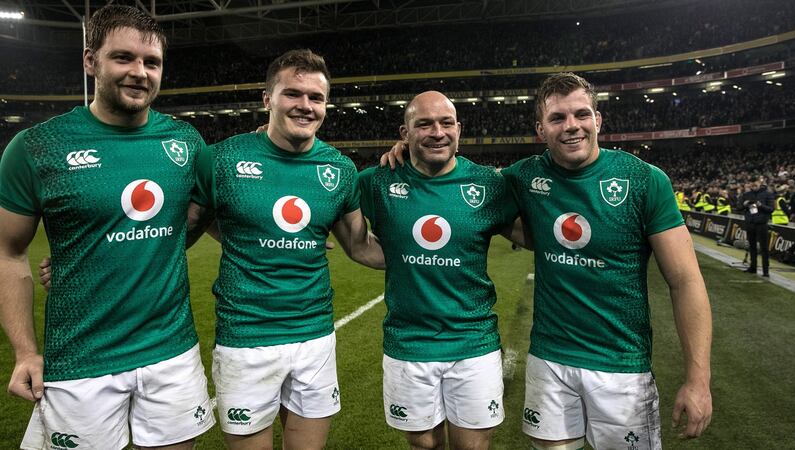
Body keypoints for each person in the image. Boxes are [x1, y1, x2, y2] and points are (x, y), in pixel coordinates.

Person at [0, 5, 214, 450]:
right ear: (90, 60)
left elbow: (200, 215)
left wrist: (402, 148)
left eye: (151, 62)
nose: (140, 72)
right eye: (123, 58)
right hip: (81, 360)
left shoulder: (186, 142)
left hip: (171, 352)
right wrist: (25, 351)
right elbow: (7, 252)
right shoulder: (37, 147)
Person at [501, 73, 713, 449]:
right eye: (558, 118)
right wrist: (404, 155)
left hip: (621, 366)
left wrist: (698, 380)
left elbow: (686, 281)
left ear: (597, 120)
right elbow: (458, 184)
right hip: (549, 360)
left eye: (581, 114)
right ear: (541, 129)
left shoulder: (644, 180)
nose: (572, 126)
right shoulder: (525, 176)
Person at [189, 49, 384, 450]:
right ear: (267, 99)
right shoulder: (222, 160)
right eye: (293, 94)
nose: (305, 106)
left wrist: (445, 253)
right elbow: (182, 228)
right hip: (246, 338)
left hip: (314, 337)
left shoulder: (338, 170)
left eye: (316, 98)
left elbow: (361, 247)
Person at [360, 91, 518, 450]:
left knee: (473, 446)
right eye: (424, 124)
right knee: (424, 445)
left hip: (473, 342)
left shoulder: (489, 184)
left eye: (446, 123)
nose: (437, 132)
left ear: (459, 129)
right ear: (404, 132)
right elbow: (324, 194)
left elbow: (538, 228)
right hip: (408, 342)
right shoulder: (377, 181)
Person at [742, 177, 774, 276]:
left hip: (762, 224)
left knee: (764, 248)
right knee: (752, 247)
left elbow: (771, 209)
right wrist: (745, 204)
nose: (753, 186)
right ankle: (753, 267)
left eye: (755, 184)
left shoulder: (768, 194)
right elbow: (739, 207)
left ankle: (766, 271)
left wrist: (761, 205)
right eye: (751, 185)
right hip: (750, 224)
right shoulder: (746, 194)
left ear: (760, 183)